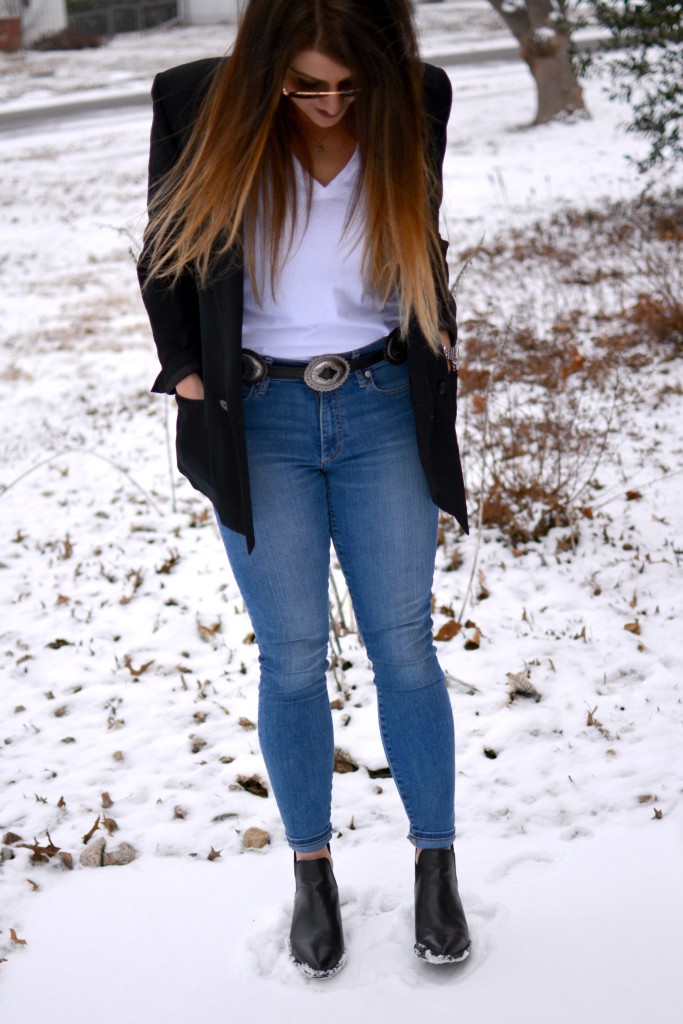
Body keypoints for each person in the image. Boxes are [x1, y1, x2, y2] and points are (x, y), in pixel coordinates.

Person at [138, 0, 470, 979]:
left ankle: (434, 865)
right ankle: (312, 871)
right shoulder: (197, 103)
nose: (328, 105)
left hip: (378, 406)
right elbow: (164, 253)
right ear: (267, 67)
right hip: (260, 418)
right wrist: (191, 377)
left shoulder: (417, 98)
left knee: (404, 648)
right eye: (305, 86)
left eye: (346, 87)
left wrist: (435, 325)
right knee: (289, 657)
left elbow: (420, 227)